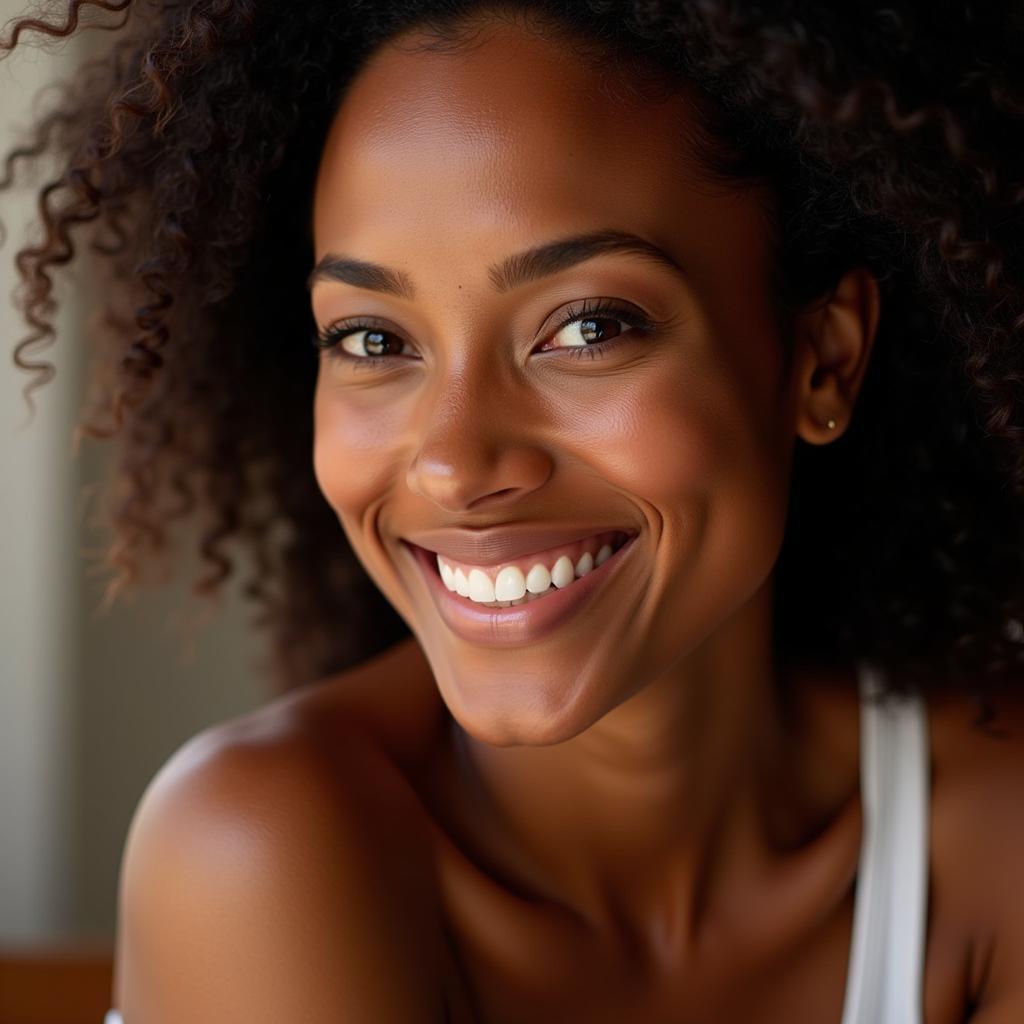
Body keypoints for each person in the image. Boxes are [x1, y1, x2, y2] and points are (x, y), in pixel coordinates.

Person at [4, 1, 1024, 1020]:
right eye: (370, 339)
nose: (453, 462)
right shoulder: (264, 848)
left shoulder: (992, 836)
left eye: (584, 326)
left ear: (821, 359)